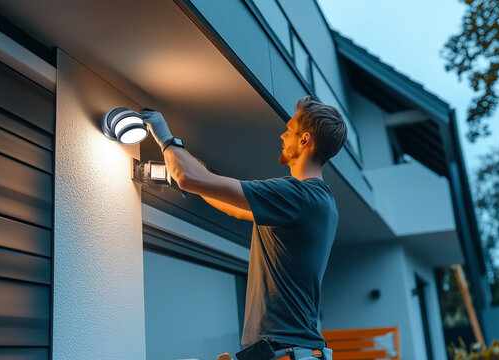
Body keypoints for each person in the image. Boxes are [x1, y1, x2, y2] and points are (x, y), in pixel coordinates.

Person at [142, 96, 347, 360]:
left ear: (304, 140)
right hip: (288, 351)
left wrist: (164, 136)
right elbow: (233, 207)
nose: (283, 135)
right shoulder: (318, 199)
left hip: (287, 351)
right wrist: (199, 181)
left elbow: (189, 178)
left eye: (290, 130)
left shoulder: (298, 195)